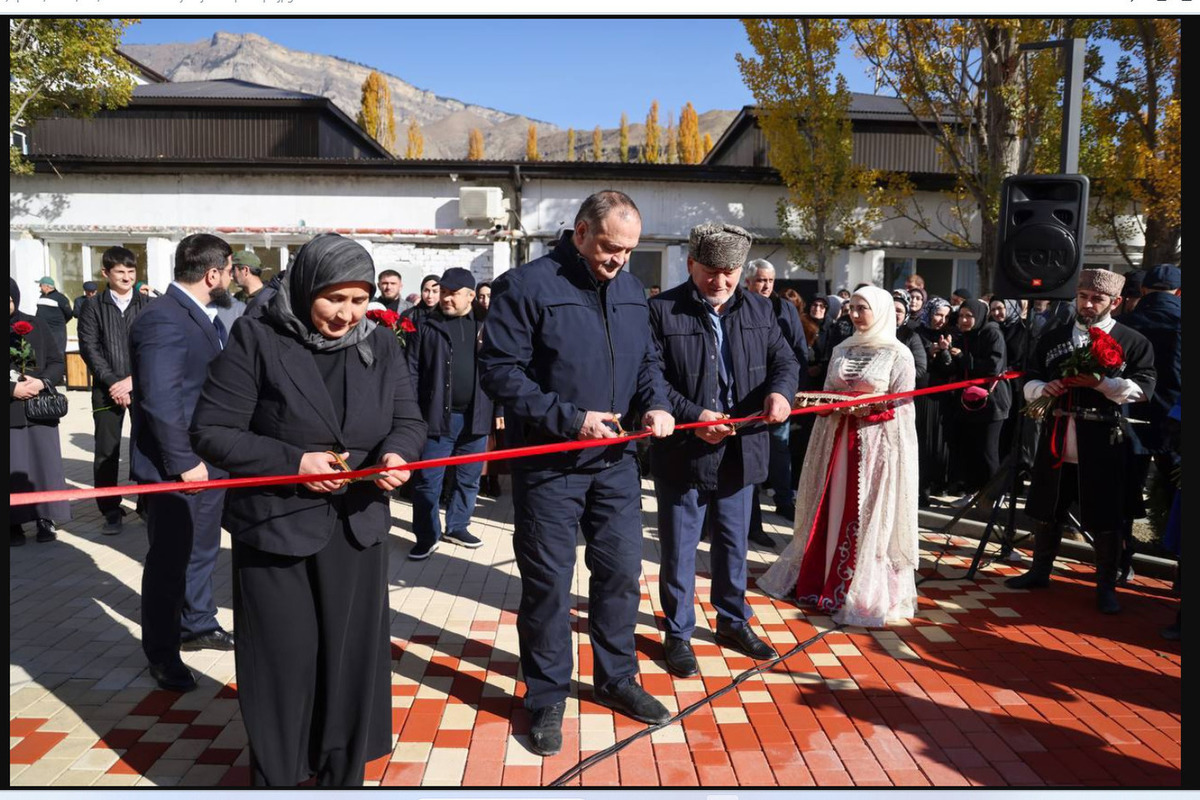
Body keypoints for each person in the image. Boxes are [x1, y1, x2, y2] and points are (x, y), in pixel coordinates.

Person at [190, 233, 424, 786]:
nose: (348, 314)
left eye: (359, 300)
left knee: (348, 665)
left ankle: (342, 778)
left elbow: (409, 421)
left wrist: (398, 455)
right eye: (334, 299)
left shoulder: (382, 343)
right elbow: (211, 431)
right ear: (304, 288)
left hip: (356, 529)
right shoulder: (258, 336)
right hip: (278, 531)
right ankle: (281, 778)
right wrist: (294, 462)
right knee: (284, 665)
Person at [479, 190, 675, 756]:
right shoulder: (528, 285)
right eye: (611, 248)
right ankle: (545, 694)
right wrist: (570, 420)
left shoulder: (633, 289)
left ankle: (618, 678)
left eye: (629, 251)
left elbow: (647, 363)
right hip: (548, 466)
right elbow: (500, 372)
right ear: (581, 231)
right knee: (548, 585)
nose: (619, 261)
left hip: (614, 465)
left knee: (618, 575)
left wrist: (656, 403)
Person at [649, 225, 797, 677]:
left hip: (742, 449)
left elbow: (784, 361)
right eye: (711, 272)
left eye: (729, 273)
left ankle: (733, 621)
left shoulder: (759, 308)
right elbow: (651, 377)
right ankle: (677, 632)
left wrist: (781, 394)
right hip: (684, 449)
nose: (720, 283)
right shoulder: (662, 310)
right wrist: (694, 416)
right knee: (679, 549)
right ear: (691, 264)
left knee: (734, 543)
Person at [757, 286, 919, 627]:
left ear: (881, 311)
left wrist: (869, 409)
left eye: (863, 308)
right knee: (830, 508)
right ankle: (822, 579)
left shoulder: (899, 354)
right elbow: (831, 391)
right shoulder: (842, 348)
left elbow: (903, 408)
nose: (856, 315)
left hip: (875, 450)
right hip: (836, 445)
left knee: (865, 514)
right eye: (852, 308)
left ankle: (858, 589)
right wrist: (819, 402)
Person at [1005, 269, 1155, 614]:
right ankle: (1040, 570)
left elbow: (1144, 386)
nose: (1088, 304)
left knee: (1106, 514)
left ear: (1115, 302)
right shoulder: (1052, 335)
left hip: (1103, 440)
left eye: (1097, 299)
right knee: (1048, 505)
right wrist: (1043, 389)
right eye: (1083, 296)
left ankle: (1106, 586)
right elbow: (1030, 374)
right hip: (1058, 434)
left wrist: (1100, 382)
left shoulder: (1133, 341)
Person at [129, 233, 237, 694]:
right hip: (180, 469)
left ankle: (197, 623)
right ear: (212, 274)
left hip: (204, 464)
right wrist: (183, 461)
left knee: (201, 550)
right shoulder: (163, 318)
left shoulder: (194, 315)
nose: (233, 278)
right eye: (230, 270)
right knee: (170, 562)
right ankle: (162, 653)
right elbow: (158, 398)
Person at [405, 267, 494, 559]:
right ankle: (427, 535)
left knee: (468, 479)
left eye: (452, 293)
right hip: (436, 418)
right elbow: (412, 371)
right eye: (443, 292)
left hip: (476, 417)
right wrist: (411, 413)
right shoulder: (425, 326)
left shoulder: (485, 326)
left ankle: (457, 525)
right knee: (428, 482)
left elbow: (499, 370)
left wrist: (500, 409)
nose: (445, 298)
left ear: (470, 295)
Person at [77, 246, 152, 535]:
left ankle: (147, 504)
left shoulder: (146, 305)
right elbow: (89, 348)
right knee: (107, 451)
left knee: (146, 446)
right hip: (106, 391)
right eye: (120, 271)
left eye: (131, 271)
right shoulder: (92, 307)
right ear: (106, 273)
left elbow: (153, 347)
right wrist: (113, 382)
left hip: (142, 387)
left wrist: (134, 380)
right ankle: (109, 508)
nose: (127, 277)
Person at [1121, 264, 1181, 582]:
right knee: (1178, 496)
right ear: (1178, 292)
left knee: (1126, 493)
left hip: (1134, 416)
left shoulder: (1127, 322)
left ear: (1143, 291)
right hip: (1176, 422)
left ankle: (1120, 563)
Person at [744, 259, 807, 539]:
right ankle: (751, 520)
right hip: (746, 395)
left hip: (779, 393)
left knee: (779, 449)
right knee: (749, 454)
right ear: (748, 282)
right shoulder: (739, 305)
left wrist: (791, 390)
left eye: (770, 280)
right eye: (760, 280)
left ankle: (784, 500)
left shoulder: (785, 309)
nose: (767, 285)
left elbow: (797, 351)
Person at [10, 278, 70, 546]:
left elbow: (57, 361)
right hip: (11, 411)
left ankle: (46, 518)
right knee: (14, 466)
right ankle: (13, 523)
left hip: (40, 409)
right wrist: (11, 389)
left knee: (44, 465)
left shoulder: (36, 324)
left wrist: (42, 381)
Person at [945, 299, 1011, 508]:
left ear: (980, 316)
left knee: (988, 452)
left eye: (969, 316)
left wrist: (964, 357)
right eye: (961, 315)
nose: (964, 320)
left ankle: (994, 497)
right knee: (971, 450)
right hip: (969, 402)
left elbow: (992, 367)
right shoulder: (964, 336)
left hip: (992, 404)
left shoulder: (992, 332)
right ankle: (973, 492)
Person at [915, 296, 955, 504]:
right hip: (920, 397)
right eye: (938, 314)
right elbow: (916, 366)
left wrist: (945, 351)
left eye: (946, 316)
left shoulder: (947, 335)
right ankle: (920, 489)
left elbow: (949, 368)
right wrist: (929, 352)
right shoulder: (917, 333)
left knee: (937, 445)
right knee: (920, 442)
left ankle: (935, 484)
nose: (941, 320)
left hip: (940, 396)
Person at [34, 276, 72, 369]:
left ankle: (59, 376)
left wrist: (59, 324)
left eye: (40, 285)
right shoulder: (41, 296)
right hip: (43, 330)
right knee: (45, 353)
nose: (39, 287)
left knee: (57, 353)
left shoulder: (60, 298)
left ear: (47, 286)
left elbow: (69, 314)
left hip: (56, 331)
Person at [892, 290, 928, 386]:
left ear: (906, 316)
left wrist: (895, 377)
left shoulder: (911, 336)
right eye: (890, 309)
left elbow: (920, 368)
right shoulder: (875, 333)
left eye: (899, 311)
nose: (894, 313)